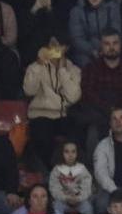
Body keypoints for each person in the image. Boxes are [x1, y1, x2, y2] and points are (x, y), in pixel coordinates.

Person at [77, 30, 122, 147]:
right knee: (92, 139)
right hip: (103, 118)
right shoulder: (91, 69)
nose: (111, 47)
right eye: (107, 44)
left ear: (120, 45)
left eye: (115, 43)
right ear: (101, 47)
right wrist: (112, 115)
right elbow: (88, 97)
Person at [23, 39, 82, 169]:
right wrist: (39, 64)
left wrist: (61, 70)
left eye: (58, 46)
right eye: (51, 46)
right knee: (42, 136)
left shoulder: (73, 69)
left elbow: (73, 97)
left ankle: (72, 173)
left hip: (64, 114)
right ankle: (48, 173)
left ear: (65, 48)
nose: (54, 50)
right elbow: (29, 90)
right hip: (40, 114)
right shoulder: (34, 67)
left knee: (76, 134)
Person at [49, 140, 93, 214]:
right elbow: (54, 188)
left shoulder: (82, 169)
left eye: (73, 152)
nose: (70, 155)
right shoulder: (57, 170)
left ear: (77, 153)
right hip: (62, 200)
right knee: (55, 207)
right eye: (67, 152)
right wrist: (65, 198)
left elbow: (87, 188)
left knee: (88, 208)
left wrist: (78, 198)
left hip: (80, 200)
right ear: (61, 153)